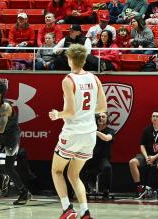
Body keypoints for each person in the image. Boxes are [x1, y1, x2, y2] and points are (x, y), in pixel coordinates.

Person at [49, 43, 108, 219]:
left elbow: (70, 112)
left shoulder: (68, 80)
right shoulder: (94, 78)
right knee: (74, 174)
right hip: (90, 134)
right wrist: (88, 112)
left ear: (70, 60)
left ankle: (67, 209)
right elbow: (102, 107)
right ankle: (84, 211)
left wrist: (56, 114)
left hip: (73, 132)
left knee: (57, 171)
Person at [129, 110, 158, 201]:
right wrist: (146, 156)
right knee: (132, 162)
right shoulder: (147, 130)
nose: (154, 118)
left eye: (156, 116)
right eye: (153, 116)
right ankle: (140, 188)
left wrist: (154, 157)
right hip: (147, 155)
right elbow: (142, 145)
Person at [82, 113, 116, 200]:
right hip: (90, 157)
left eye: (103, 117)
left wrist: (95, 132)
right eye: (99, 117)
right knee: (78, 166)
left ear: (107, 119)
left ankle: (106, 190)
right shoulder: (90, 130)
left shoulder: (110, 131)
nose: (101, 118)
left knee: (107, 167)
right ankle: (84, 189)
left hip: (102, 158)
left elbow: (107, 138)